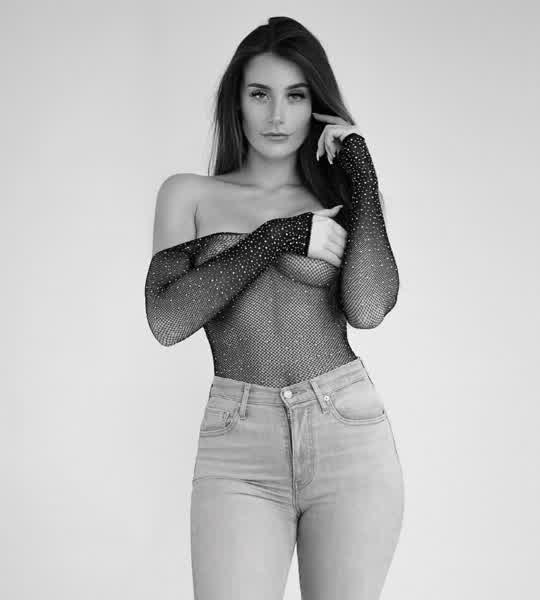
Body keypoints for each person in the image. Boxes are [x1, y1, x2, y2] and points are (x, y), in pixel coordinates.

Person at [144, 16, 404, 600]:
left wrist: (361, 171)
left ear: (316, 105)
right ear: (236, 101)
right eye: (260, 94)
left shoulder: (341, 199)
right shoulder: (189, 195)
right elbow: (166, 319)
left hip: (347, 431)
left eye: (296, 95)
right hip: (239, 439)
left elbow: (368, 307)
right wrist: (280, 236)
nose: (278, 115)